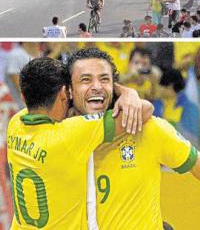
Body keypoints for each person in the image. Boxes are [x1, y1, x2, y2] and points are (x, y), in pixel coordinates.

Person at [65, 48, 200, 229]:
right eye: (85, 80)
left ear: (113, 88)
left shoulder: (146, 128)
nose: (96, 86)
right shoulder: (55, 135)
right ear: (69, 90)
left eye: (104, 79)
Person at [7, 57, 149, 229]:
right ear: (63, 94)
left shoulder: (15, 124)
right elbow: (144, 109)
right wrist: (127, 92)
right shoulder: (71, 133)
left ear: (24, 96)